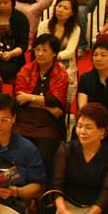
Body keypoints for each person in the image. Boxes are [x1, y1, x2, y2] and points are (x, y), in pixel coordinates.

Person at [14, 33, 69, 172]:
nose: (40, 54)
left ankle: (40, 183)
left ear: (54, 53)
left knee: (43, 156)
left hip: (49, 124)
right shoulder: (26, 70)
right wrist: (48, 107)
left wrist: (29, 97)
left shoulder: (61, 73)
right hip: (24, 121)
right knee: (17, 154)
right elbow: (20, 98)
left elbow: (56, 100)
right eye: (37, 49)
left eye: (45, 50)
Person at [37, 0, 81, 105]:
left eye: (65, 8)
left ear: (72, 13)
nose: (60, 10)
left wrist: (53, 57)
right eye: (59, 6)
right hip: (43, 60)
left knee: (66, 76)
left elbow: (70, 51)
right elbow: (39, 46)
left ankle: (61, 105)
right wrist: (47, 58)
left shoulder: (75, 29)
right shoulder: (44, 25)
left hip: (64, 61)